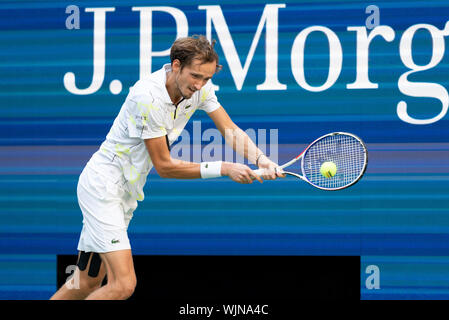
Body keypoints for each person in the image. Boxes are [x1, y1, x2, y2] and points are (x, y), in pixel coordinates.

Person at [50, 35, 284, 300]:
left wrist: (261, 159)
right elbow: (164, 166)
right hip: (104, 187)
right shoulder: (147, 97)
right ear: (176, 65)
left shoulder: (201, 89)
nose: (200, 85)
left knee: (85, 282)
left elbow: (230, 131)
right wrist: (224, 167)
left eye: (206, 79)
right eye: (195, 76)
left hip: (124, 193)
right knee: (123, 284)